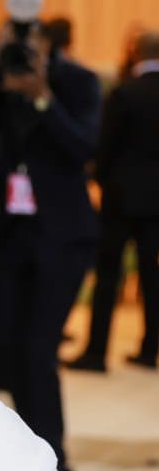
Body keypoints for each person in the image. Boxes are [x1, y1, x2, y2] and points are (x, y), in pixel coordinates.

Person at [0, 19, 101, 471]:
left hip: (64, 236)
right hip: (13, 235)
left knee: (38, 349)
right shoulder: (1, 84)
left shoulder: (79, 82)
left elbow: (82, 146)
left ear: (49, 46)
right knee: (8, 349)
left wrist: (42, 95)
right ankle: (27, 451)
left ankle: (52, 455)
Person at [67, 30, 159, 372]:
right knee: (152, 273)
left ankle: (96, 352)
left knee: (109, 275)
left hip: (120, 197)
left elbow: (104, 147)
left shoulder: (124, 93)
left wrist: (102, 180)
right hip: (156, 202)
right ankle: (150, 349)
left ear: (136, 52)